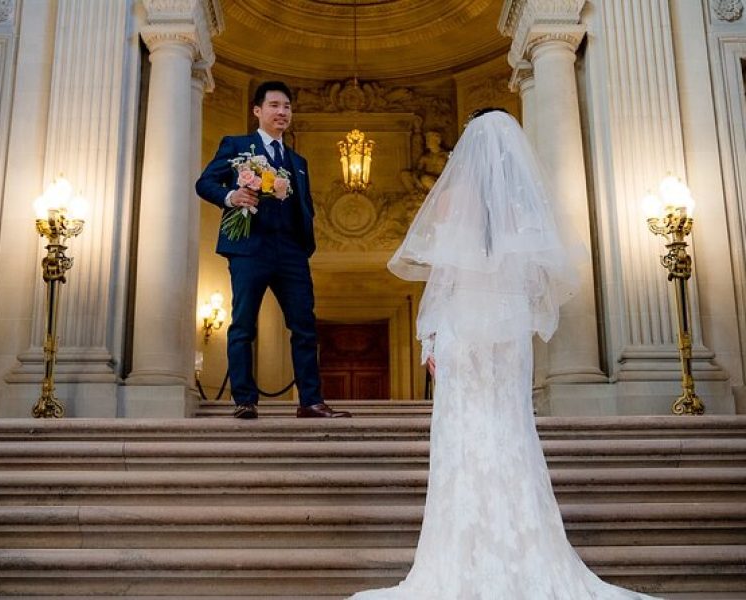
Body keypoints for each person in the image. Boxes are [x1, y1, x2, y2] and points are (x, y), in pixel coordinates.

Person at [348, 109, 658, 598]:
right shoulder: (525, 206)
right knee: (512, 426)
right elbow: (538, 283)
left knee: (464, 434)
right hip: (508, 329)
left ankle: (462, 555)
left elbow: (442, 281)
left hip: (463, 328)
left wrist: (429, 338)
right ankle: (525, 547)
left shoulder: (450, 199)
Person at [195, 81, 350, 420]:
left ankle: (310, 401)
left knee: (305, 326)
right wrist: (231, 197)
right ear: (258, 110)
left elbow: (304, 204)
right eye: (275, 105)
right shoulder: (237, 145)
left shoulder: (298, 161)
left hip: (291, 252)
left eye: (287, 107)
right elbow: (204, 182)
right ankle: (245, 400)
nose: (282, 112)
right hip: (250, 248)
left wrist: (304, 243)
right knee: (243, 325)